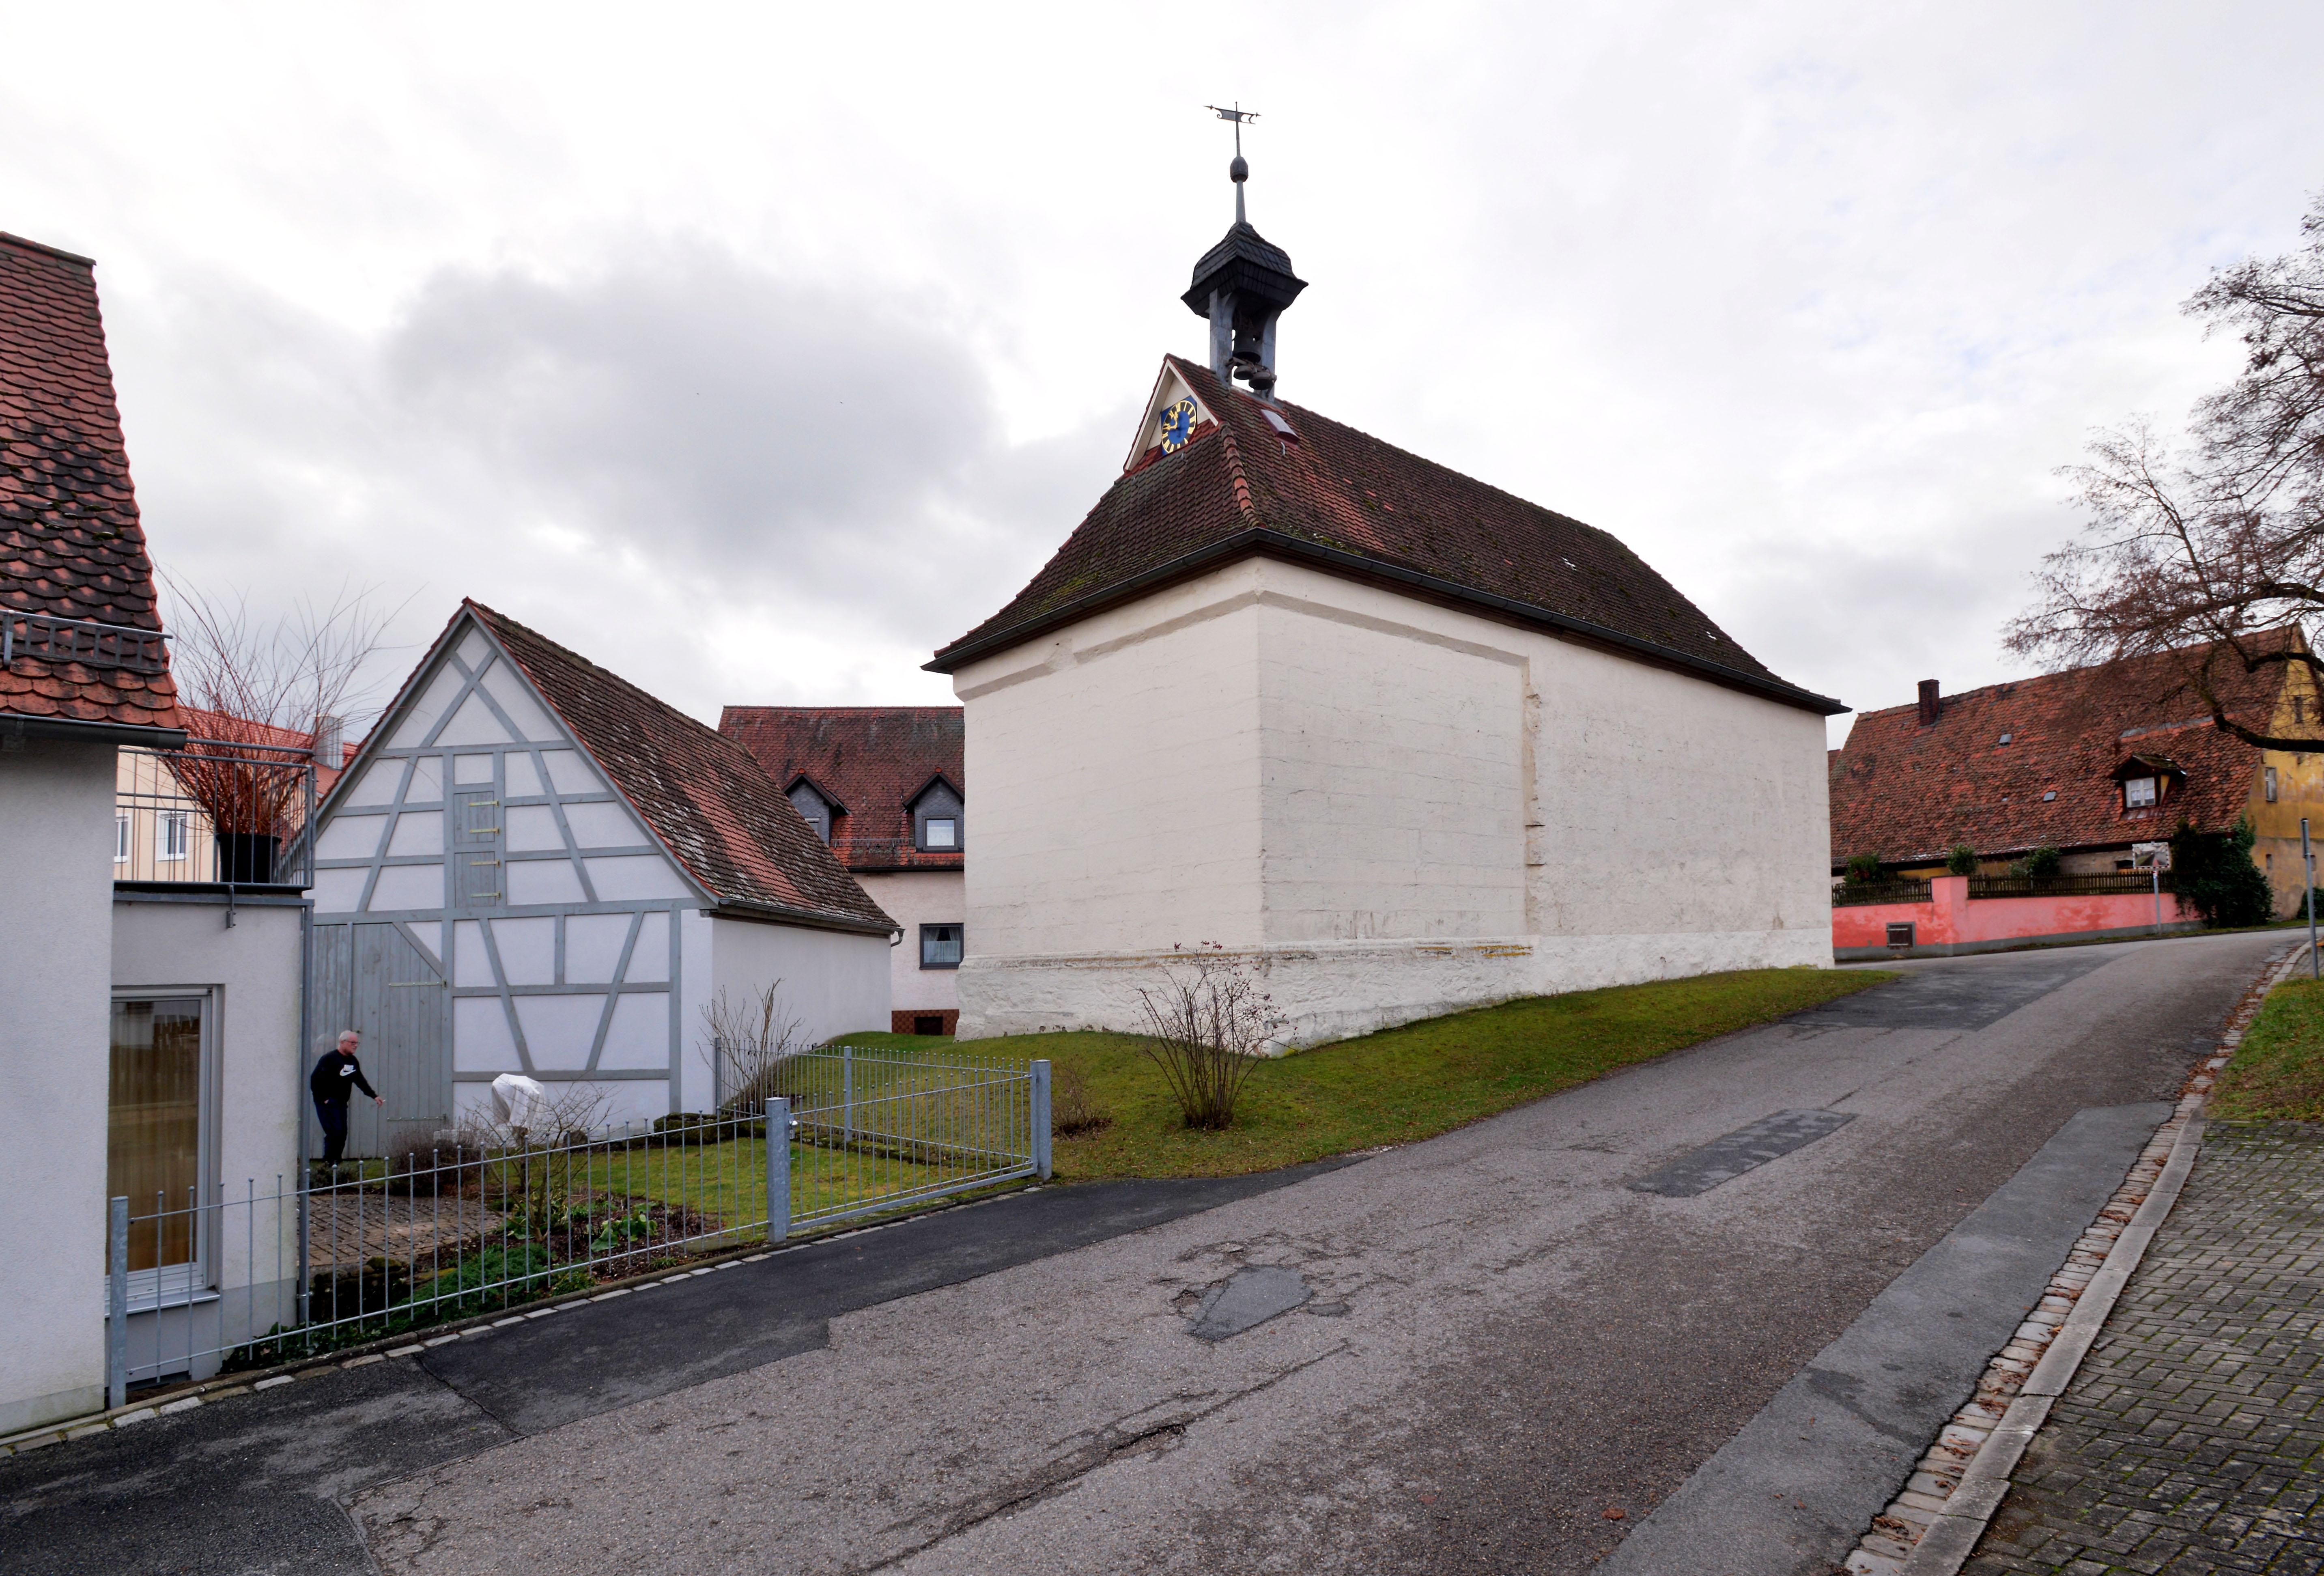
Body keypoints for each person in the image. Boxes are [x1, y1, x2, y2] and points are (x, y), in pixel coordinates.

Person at [310, 1029, 383, 1169]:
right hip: (327, 1104)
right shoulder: (329, 1059)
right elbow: (314, 1079)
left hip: (341, 1103)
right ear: (342, 1042)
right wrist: (324, 1099)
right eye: (352, 1043)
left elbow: (360, 1081)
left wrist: (374, 1096)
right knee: (334, 1132)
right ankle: (329, 1165)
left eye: (357, 1043)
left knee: (342, 1133)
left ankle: (337, 1164)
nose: (355, 1046)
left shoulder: (353, 1061)